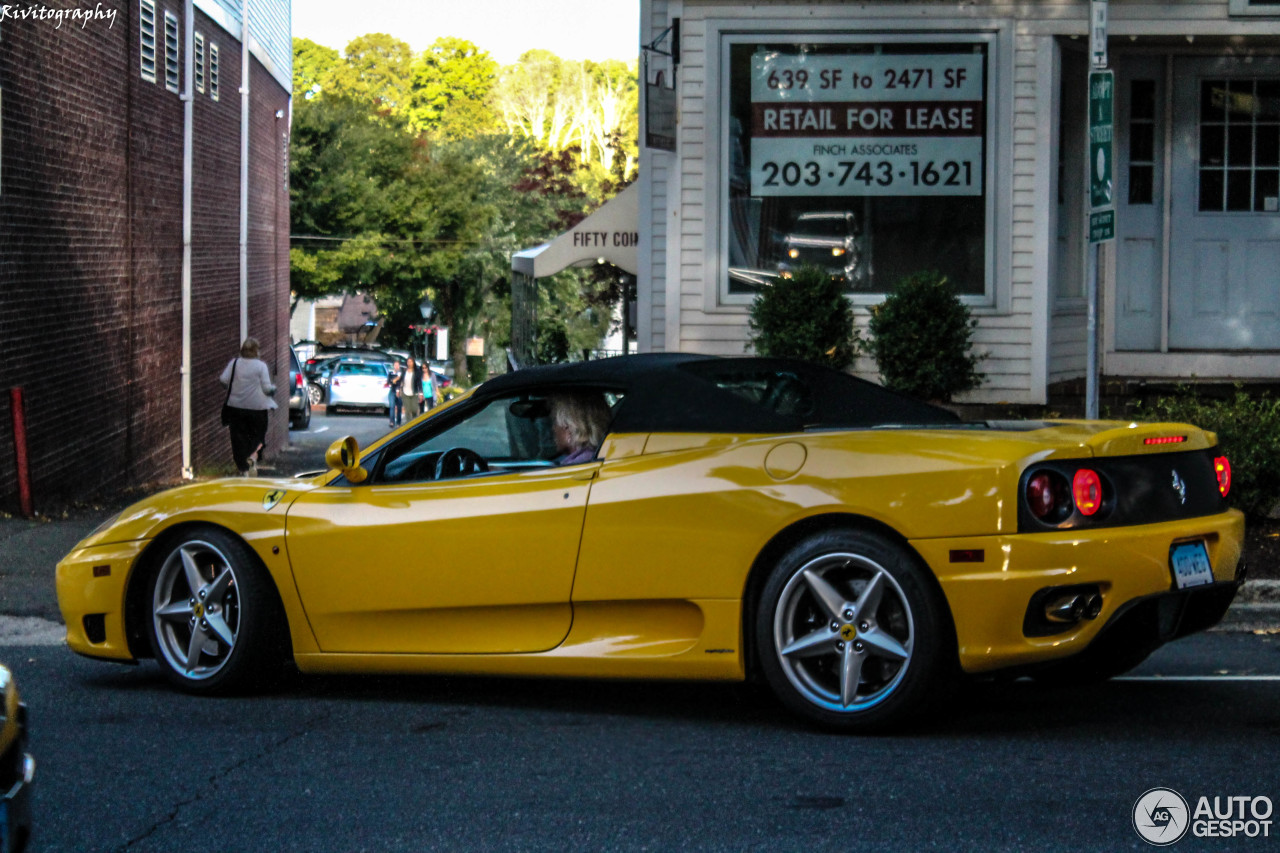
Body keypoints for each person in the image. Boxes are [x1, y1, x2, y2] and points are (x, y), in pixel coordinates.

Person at [219, 337, 277, 476]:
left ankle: (243, 469)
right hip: (257, 409)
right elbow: (266, 388)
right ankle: (253, 457)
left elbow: (223, 380)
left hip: (236, 408)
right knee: (258, 436)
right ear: (256, 351)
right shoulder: (260, 366)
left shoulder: (234, 363)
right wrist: (273, 389)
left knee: (238, 439)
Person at [548, 392, 611, 465]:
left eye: (555, 421)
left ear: (569, 428)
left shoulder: (576, 465)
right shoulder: (596, 456)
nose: (553, 428)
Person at [387, 359, 403, 427]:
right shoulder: (390, 374)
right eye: (395, 365)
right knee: (392, 406)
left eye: (398, 365)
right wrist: (395, 380)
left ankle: (398, 422)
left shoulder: (401, 374)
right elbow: (389, 382)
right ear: (393, 366)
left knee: (399, 407)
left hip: (399, 392)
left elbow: (401, 383)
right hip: (392, 391)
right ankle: (392, 421)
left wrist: (395, 381)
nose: (396, 367)